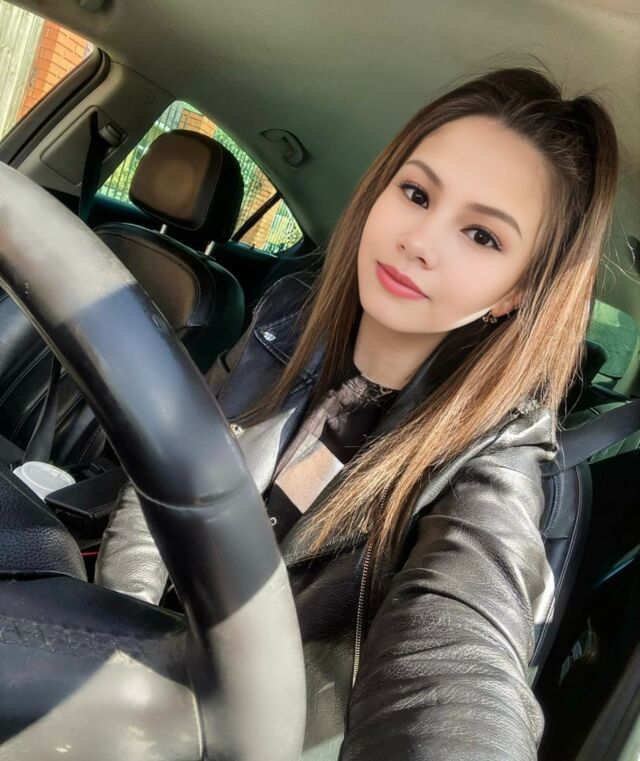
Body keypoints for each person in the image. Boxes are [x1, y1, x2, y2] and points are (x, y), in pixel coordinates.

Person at [95, 64, 619, 760]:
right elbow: (171, 463)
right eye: (416, 193)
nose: (420, 240)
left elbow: (461, 660)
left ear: (514, 293)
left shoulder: (495, 460)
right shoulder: (286, 319)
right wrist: (119, 633)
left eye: (482, 236)